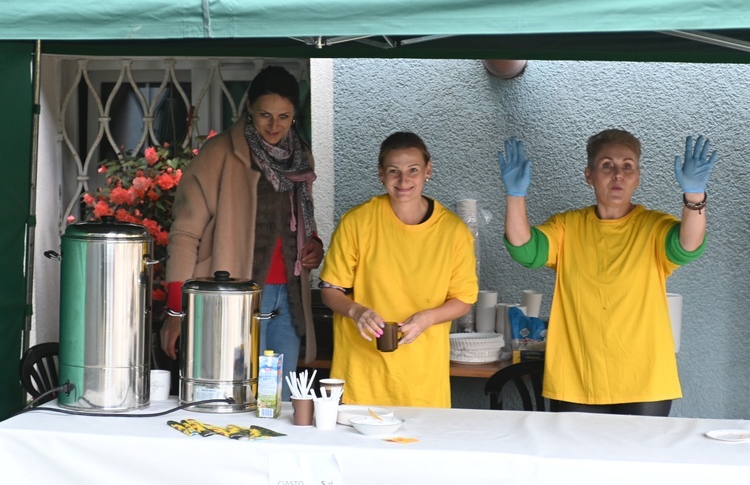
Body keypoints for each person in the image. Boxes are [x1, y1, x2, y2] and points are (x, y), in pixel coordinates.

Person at [498, 129, 717, 416]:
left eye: (627, 166)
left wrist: (694, 195)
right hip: (576, 377)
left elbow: (689, 245)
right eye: (607, 165)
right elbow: (525, 249)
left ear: (637, 176)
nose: (618, 174)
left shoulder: (653, 227)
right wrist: (516, 196)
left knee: (638, 462)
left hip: (645, 380)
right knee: (578, 462)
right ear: (589, 175)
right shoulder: (568, 227)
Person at [160, 65, 324, 400]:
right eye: (265, 114)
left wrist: (314, 246)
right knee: (231, 400)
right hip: (230, 299)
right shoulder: (218, 153)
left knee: (278, 404)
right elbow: (184, 235)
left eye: (284, 116)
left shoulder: (301, 156)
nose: (274, 126)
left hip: (288, 299)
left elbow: (301, 220)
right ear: (248, 107)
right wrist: (176, 312)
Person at [319, 131, 478, 408]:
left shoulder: (454, 231)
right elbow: (331, 290)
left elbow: (464, 298)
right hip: (360, 375)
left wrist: (428, 318)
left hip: (422, 380)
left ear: (428, 171)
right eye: (394, 171)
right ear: (381, 174)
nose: (404, 181)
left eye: (413, 170)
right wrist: (357, 311)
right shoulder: (357, 222)